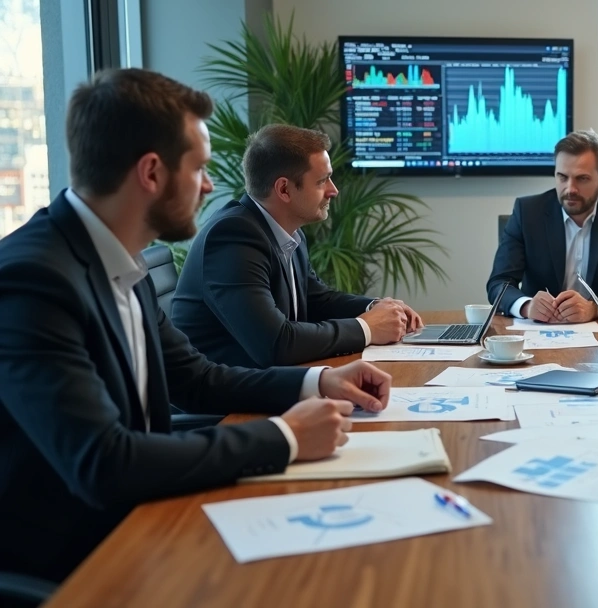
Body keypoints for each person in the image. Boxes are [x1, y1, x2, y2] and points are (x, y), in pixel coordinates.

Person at [0, 69, 394, 583]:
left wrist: (318, 381)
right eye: (200, 168)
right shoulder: (34, 280)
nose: (210, 185)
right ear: (151, 173)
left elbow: (196, 377)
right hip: (82, 558)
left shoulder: (123, 260)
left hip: (149, 517)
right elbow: (104, 463)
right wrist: (284, 437)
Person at [172, 124, 423, 368]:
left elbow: (316, 300)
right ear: (284, 189)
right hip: (227, 405)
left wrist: (376, 308)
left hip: (268, 387)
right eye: (322, 181)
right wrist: (367, 328)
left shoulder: (287, 233)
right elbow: (275, 344)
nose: (333, 191)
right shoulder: (232, 237)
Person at [487, 130, 598, 323]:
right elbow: (499, 283)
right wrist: (526, 306)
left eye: (581, 179)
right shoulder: (528, 212)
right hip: (537, 330)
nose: (570, 189)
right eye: (562, 177)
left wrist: (595, 308)